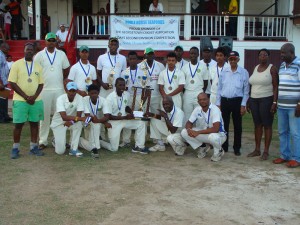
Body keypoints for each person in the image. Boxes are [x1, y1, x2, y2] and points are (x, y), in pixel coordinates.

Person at [34, 32, 70, 150]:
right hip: (45, 90)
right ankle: (43, 140)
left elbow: (66, 69)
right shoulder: (39, 55)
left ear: (56, 42)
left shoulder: (61, 54)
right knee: (44, 116)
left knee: (59, 115)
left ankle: (57, 139)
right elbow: (35, 72)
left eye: (53, 40)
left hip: (59, 89)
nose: (51, 42)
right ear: (45, 42)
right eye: (49, 40)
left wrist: (61, 79)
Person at [8, 43, 44, 159]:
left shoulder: (38, 66)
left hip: (36, 100)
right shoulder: (16, 64)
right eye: (27, 49)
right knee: (18, 125)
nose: (29, 51)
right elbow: (12, 83)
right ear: (24, 51)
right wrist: (25, 96)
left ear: (34, 52)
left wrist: (34, 97)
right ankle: (15, 148)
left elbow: (41, 84)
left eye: (31, 50)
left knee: (34, 124)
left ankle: (33, 147)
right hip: (20, 100)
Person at [247, 49, 278, 160]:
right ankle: (257, 149)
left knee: (267, 125)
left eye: (265, 54)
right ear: (258, 57)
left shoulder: (272, 68)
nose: (262, 56)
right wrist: (249, 100)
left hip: (267, 99)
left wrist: (274, 102)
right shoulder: (255, 68)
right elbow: (253, 85)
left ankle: (266, 151)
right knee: (257, 125)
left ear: (268, 56)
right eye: (260, 55)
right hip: (254, 99)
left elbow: (275, 87)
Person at [216, 51, 249, 156]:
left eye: (234, 59)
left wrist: (243, 105)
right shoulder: (224, 72)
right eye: (231, 59)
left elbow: (246, 90)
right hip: (225, 101)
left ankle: (237, 148)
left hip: (237, 101)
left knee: (237, 126)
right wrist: (218, 103)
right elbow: (219, 89)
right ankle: (224, 146)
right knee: (224, 125)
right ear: (228, 60)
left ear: (238, 59)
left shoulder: (244, 72)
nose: (232, 61)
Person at [273, 43, 300, 168]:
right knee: (283, 132)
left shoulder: (298, 64)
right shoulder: (282, 65)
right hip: (282, 105)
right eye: (281, 52)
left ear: (292, 53)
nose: (281, 55)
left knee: (295, 133)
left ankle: (296, 158)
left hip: (294, 106)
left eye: (284, 53)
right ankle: (284, 155)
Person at [105, 78, 148, 154]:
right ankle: (100, 142)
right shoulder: (109, 98)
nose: (122, 87)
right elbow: (109, 116)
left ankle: (139, 146)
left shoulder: (127, 94)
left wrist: (131, 112)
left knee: (141, 123)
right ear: (115, 85)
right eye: (120, 85)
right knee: (114, 148)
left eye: (123, 85)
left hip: (124, 120)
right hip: (114, 122)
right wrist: (125, 117)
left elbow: (126, 107)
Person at [181, 93, 226, 161]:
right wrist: (189, 130)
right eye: (200, 100)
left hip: (219, 135)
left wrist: (198, 132)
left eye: (204, 99)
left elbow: (216, 129)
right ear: (198, 102)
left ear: (208, 99)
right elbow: (189, 122)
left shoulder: (215, 109)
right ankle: (202, 147)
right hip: (205, 133)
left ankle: (219, 151)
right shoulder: (197, 109)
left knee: (213, 137)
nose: (202, 101)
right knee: (184, 132)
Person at [79, 84, 112, 158]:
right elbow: (87, 115)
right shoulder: (84, 99)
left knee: (96, 125)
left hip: (96, 121)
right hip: (85, 121)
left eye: (95, 93)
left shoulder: (103, 100)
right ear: (88, 93)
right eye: (92, 93)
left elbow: (107, 116)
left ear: (98, 93)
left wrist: (99, 120)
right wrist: (99, 120)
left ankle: (95, 147)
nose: (94, 95)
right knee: (95, 125)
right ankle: (93, 147)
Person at [182, 47, 207, 123]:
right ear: (189, 54)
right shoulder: (185, 67)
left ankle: (199, 132)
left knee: (199, 113)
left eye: (194, 53)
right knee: (187, 114)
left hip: (198, 91)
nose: (193, 55)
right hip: (188, 92)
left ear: (198, 55)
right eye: (191, 53)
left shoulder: (203, 66)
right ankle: (187, 131)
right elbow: (182, 83)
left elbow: (205, 82)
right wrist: (185, 92)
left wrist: (202, 92)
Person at [141, 47, 165, 114]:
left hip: (156, 95)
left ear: (154, 55)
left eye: (151, 54)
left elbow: (164, 81)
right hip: (144, 96)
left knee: (156, 115)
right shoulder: (140, 66)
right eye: (148, 54)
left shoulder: (160, 66)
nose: (150, 56)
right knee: (144, 115)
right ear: (145, 55)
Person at [0, 43, 11, 123]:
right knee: (1, 101)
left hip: (4, 81)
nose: (8, 51)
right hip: (1, 82)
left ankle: (6, 116)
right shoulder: (0, 55)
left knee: (4, 100)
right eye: (7, 49)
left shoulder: (3, 55)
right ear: (3, 48)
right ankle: (2, 117)